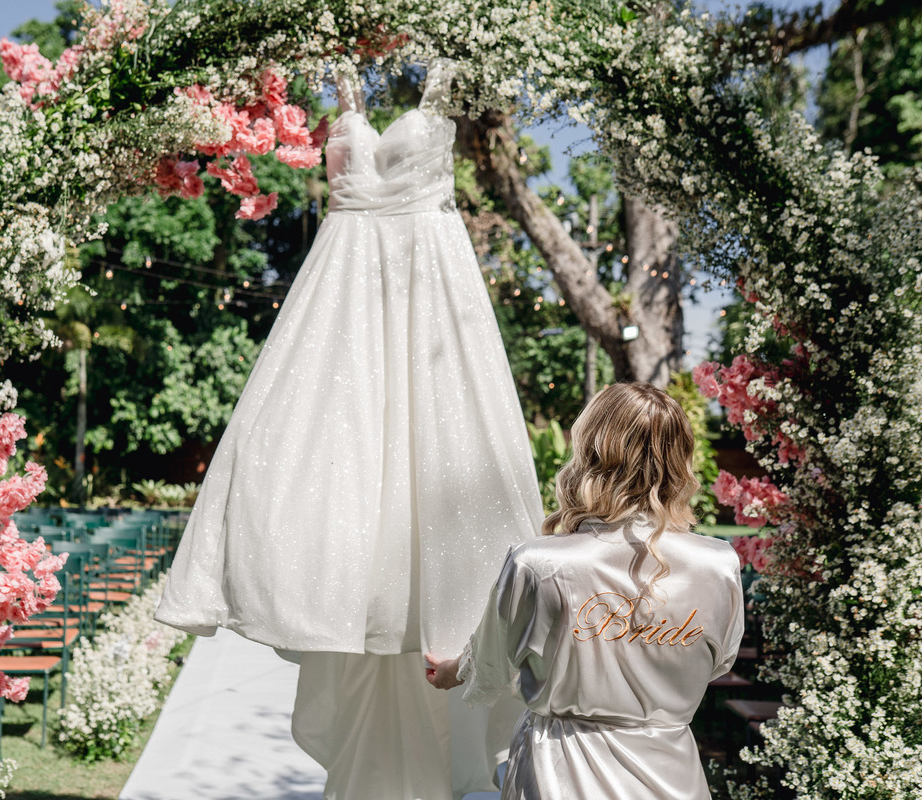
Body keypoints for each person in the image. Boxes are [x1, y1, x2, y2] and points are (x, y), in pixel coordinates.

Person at [155, 60, 543, 799]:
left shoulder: (448, 65)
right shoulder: (343, 67)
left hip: (429, 276)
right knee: (330, 460)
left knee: (435, 462)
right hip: (346, 293)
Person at [426, 382, 745, 800]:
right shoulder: (719, 564)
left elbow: (491, 664)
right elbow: (719, 660)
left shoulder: (538, 563)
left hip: (560, 773)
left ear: (590, 451)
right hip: (673, 775)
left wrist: (449, 672)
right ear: (679, 458)